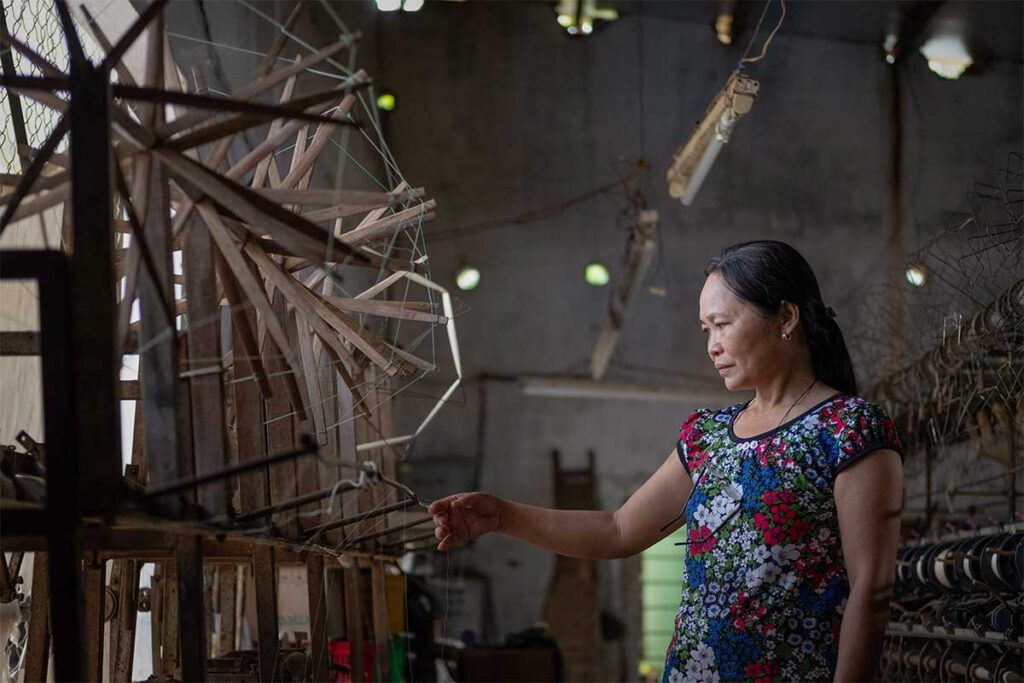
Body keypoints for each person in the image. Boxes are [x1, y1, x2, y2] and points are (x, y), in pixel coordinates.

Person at [428, 240, 904, 682]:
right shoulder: (707, 436)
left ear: (785, 317)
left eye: (723, 324)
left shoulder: (849, 429)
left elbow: (872, 588)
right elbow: (618, 530)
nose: (711, 345)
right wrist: (505, 516)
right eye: (705, 330)